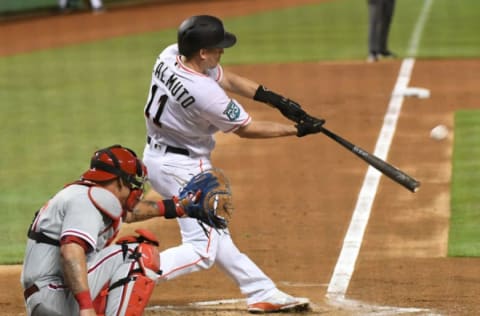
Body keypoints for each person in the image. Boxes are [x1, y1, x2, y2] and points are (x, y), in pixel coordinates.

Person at [141, 15, 324, 313]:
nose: (221, 52)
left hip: (157, 159)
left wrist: (275, 100)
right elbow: (246, 129)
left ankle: (261, 291)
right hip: (186, 169)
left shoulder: (170, 55)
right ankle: (129, 275)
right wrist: (296, 130)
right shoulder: (205, 94)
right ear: (202, 52)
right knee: (202, 250)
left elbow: (225, 77)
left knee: (214, 233)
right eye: (217, 47)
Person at [21, 144, 209, 316]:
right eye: (131, 183)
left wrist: (174, 207)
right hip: (55, 295)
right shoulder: (87, 201)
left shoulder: (86, 194)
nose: (135, 189)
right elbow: (70, 252)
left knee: (119, 258)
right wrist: (86, 307)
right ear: (119, 181)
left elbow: (128, 213)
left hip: (48, 294)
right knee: (138, 254)